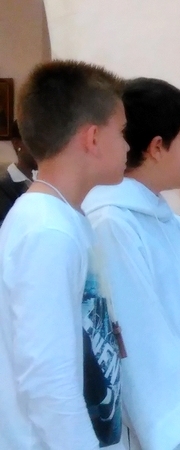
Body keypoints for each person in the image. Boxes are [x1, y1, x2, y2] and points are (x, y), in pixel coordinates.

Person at [82, 78, 180, 450]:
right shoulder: (111, 221)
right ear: (157, 147)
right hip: (151, 425)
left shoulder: (165, 219)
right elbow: (136, 336)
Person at [0, 60, 128, 449]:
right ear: (92, 138)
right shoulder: (47, 231)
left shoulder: (65, 217)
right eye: (122, 132)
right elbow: (47, 380)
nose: (127, 145)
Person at [0, 121, 38, 225]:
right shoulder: (4, 186)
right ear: (17, 144)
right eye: (35, 142)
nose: (41, 149)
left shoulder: (41, 180)